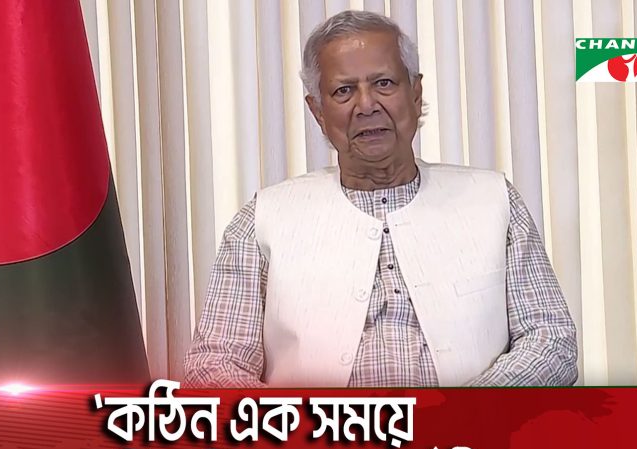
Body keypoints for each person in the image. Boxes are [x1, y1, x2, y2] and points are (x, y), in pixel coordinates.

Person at [184, 10, 577, 388]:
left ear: (415, 93)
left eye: (384, 83)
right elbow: (213, 363)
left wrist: (465, 412)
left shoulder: (494, 200)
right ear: (318, 111)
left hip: (473, 430)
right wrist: (309, 421)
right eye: (343, 91)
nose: (367, 105)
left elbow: (551, 339)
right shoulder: (262, 219)